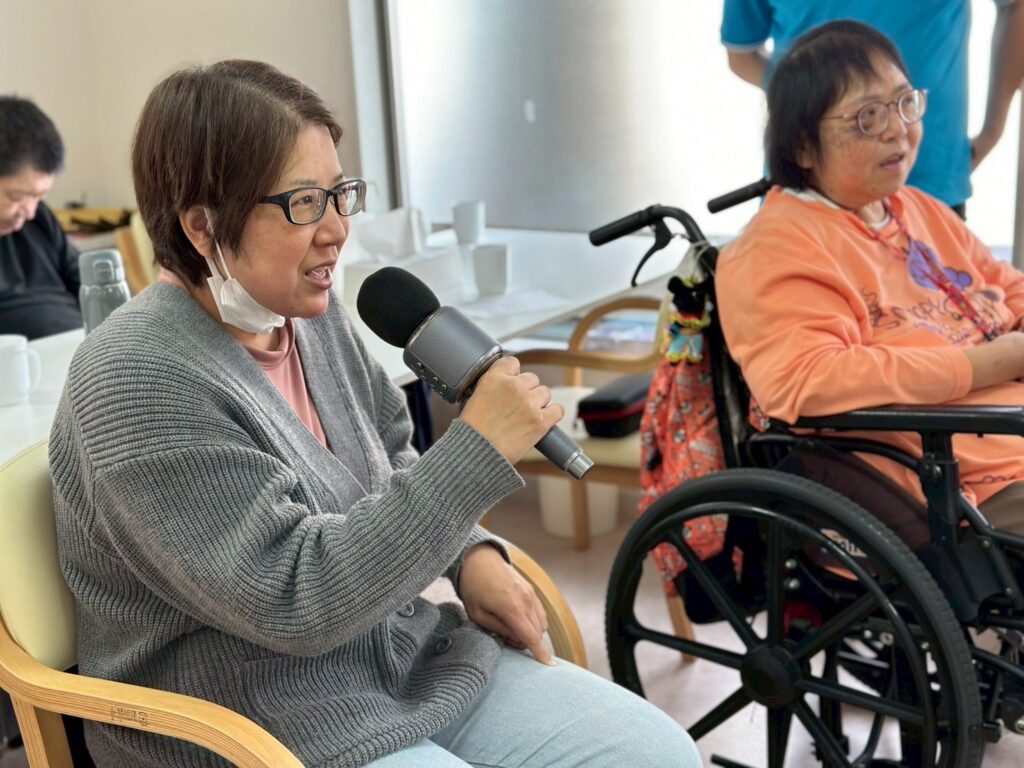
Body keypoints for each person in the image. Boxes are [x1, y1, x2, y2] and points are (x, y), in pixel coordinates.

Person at [48, 60, 700, 768]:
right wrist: (477, 450)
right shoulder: (136, 379)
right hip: (246, 720)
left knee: (657, 752)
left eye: (341, 194)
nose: (337, 230)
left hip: (397, 660)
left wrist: (469, 552)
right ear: (203, 227)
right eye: (304, 203)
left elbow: (390, 454)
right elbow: (297, 599)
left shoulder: (305, 314)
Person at [717, 20, 1024, 541]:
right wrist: (986, 364)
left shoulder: (915, 207)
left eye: (904, 104)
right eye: (867, 118)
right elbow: (804, 380)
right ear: (804, 147)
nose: (897, 130)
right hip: (957, 482)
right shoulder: (774, 249)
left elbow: (1004, 285)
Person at [720, 0, 1024, 215]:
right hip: (812, 186)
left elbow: (1014, 7)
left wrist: (992, 132)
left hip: (932, 177)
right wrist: (807, 99)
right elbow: (742, 54)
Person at [0, 96, 82, 338]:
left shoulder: (39, 219)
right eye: (17, 196)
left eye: (39, 196)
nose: (30, 212)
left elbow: (88, 283)